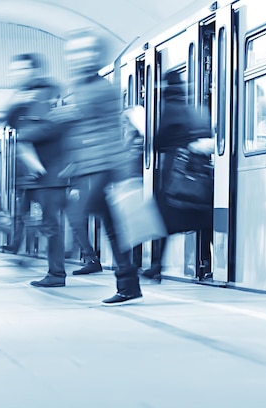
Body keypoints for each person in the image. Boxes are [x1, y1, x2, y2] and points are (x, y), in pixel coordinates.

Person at [51, 28, 141, 305]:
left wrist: (60, 115)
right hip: (90, 166)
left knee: (77, 214)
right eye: (74, 52)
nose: (79, 57)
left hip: (102, 165)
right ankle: (128, 283)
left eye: (85, 51)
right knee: (113, 226)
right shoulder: (77, 86)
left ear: (95, 55)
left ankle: (102, 267)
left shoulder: (100, 89)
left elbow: (97, 126)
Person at [140, 69, 213, 282]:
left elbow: (159, 142)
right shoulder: (197, 110)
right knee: (202, 217)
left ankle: (156, 266)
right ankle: (208, 260)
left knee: (161, 220)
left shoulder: (170, 107)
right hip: (197, 171)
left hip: (176, 171)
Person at [4, 53, 69, 288]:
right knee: (38, 221)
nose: (15, 75)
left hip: (49, 170)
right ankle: (38, 261)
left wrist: (27, 138)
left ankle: (56, 274)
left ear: (34, 70)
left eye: (20, 70)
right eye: (14, 70)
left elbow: (49, 126)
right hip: (36, 174)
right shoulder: (27, 94)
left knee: (52, 225)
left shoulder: (46, 92)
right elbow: (11, 121)